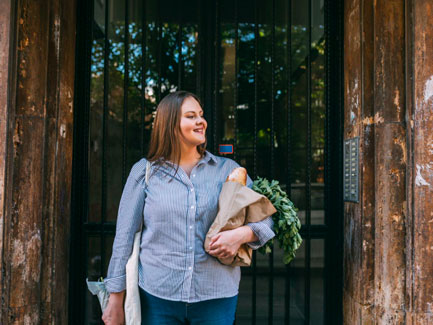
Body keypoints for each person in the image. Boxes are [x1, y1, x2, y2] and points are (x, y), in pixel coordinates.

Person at [102, 91, 275, 325]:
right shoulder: (145, 173)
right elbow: (123, 237)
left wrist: (240, 235)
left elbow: (266, 220)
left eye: (201, 116)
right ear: (171, 124)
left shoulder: (228, 170)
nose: (201, 121)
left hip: (216, 297)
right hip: (157, 297)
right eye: (191, 116)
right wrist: (115, 298)